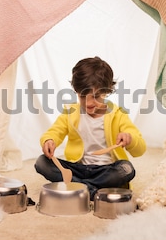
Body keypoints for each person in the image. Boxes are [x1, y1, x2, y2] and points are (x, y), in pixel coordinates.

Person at [34, 56, 146, 200]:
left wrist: (129, 139)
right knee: (42, 162)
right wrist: (49, 140)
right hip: (77, 169)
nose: (89, 103)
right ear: (76, 92)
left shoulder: (118, 114)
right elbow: (55, 131)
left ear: (107, 91)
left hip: (106, 170)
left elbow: (140, 149)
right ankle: (92, 190)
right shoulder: (71, 112)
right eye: (82, 96)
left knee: (126, 169)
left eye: (95, 96)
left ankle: (80, 188)